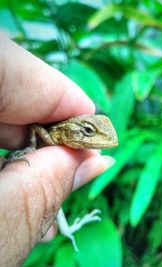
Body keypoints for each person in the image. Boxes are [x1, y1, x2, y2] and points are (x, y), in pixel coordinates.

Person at [0, 33, 114, 266]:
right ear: (73, 131)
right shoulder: (55, 135)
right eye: (89, 132)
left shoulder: (67, 141)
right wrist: (31, 147)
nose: (95, 138)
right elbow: (35, 126)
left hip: (35, 173)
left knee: (55, 209)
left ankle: (70, 229)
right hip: (25, 162)